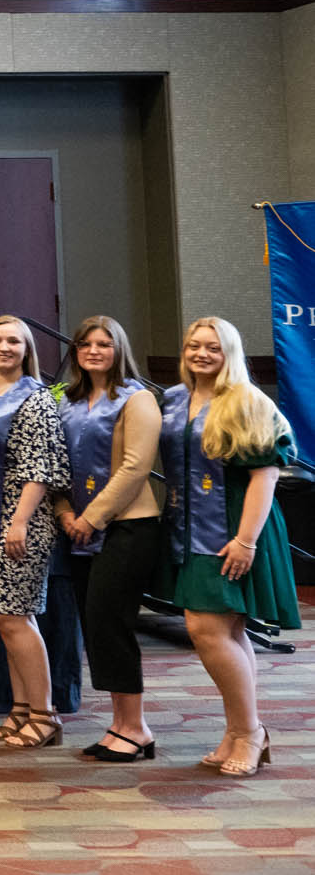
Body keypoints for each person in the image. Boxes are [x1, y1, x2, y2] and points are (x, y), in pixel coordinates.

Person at [156, 317, 300, 779]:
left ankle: (251, 731)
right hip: (188, 526)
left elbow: (266, 474)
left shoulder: (245, 400)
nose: (201, 353)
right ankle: (237, 731)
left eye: (212, 348)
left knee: (206, 629)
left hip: (232, 527)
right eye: (194, 345)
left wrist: (245, 541)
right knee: (230, 632)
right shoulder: (175, 399)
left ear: (229, 353)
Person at [53, 315, 164, 763]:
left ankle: (136, 727)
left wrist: (92, 518)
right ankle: (119, 724)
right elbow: (56, 463)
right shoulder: (69, 400)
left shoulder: (137, 399)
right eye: (85, 344)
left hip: (127, 527)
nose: (94, 350)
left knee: (112, 623)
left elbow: (136, 467)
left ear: (119, 349)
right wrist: (65, 512)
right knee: (96, 626)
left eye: (104, 344)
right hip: (79, 528)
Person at [0, 315, 70, 750]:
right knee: (3, 617)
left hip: (19, 520)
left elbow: (39, 467)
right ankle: (21, 709)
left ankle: (45, 715)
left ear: (27, 350)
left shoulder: (36, 399)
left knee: (14, 616)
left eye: (13, 341)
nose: (3, 347)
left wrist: (20, 521)